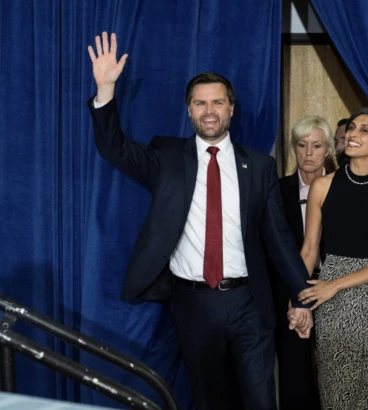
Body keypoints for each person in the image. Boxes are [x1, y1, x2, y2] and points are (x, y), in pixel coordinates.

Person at [86, 32, 312, 410]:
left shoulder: (258, 165)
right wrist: (105, 88)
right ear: (189, 110)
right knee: (209, 401)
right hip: (193, 303)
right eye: (200, 103)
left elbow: (279, 238)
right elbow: (114, 148)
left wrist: (300, 296)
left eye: (218, 103)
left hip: (249, 304)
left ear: (231, 110)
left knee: (260, 399)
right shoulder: (166, 157)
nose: (209, 110)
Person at [296, 107, 368, 409]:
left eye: (364, 130)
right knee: (338, 392)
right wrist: (297, 301)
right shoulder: (322, 186)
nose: (353, 134)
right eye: (352, 128)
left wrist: (334, 284)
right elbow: (308, 250)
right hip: (333, 304)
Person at [271, 115, 335, 410]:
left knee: (338, 368)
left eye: (317, 145)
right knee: (294, 372)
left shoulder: (345, 187)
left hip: (337, 288)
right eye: (302, 145)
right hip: (289, 290)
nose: (309, 153)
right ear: (293, 149)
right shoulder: (275, 190)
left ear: (328, 150)